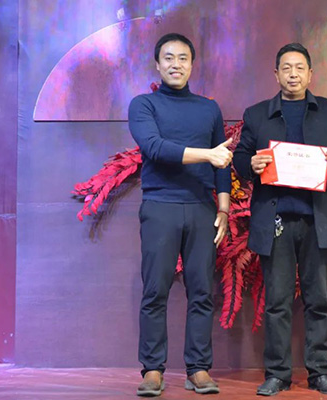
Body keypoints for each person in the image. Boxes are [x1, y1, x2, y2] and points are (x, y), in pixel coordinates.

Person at [234, 43, 327, 396]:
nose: (293, 74)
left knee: (320, 301)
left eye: (299, 68)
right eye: (286, 68)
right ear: (276, 74)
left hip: (319, 220)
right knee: (277, 302)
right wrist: (250, 164)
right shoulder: (257, 114)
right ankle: (277, 374)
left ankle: (320, 373)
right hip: (276, 221)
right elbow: (240, 159)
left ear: (310, 74)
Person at [128, 32, 233, 397]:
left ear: (192, 64)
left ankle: (198, 369)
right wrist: (207, 155)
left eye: (183, 58)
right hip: (160, 206)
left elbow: (223, 161)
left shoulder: (208, 109)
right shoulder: (143, 105)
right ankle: (153, 370)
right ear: (158, 65)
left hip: (203, 209)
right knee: (155, 290)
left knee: (202, 291)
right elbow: (155, 148)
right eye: (169, 58)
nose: (176, 64)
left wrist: (223, 207)